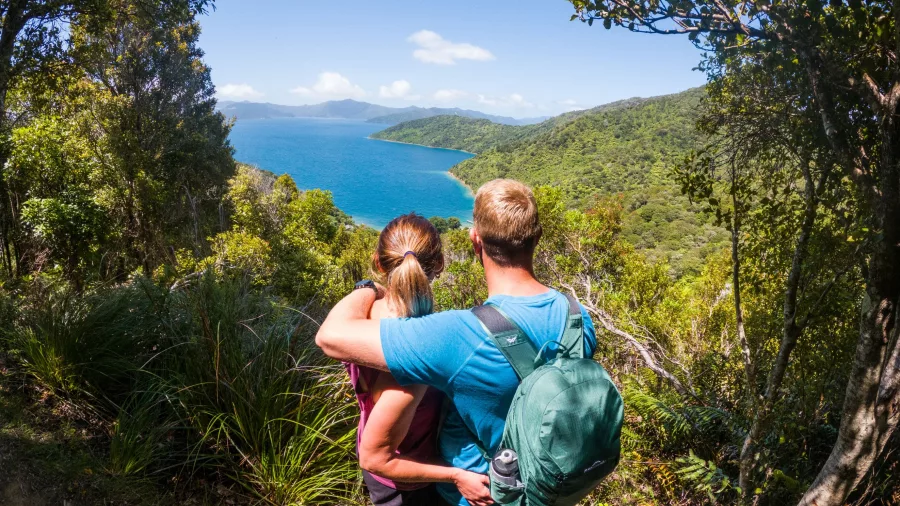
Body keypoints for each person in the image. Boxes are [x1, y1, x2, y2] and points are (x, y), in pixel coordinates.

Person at [317, 179, 598, 506]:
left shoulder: (455, 335)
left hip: (477, 491)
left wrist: (367, 288)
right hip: (545, 482)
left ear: (475, 240)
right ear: (537, 237)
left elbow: (330, 337)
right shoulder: (578, 318)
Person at [344, 213, 493, 506]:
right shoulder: (419, 351)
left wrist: (366, 289)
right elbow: (377, 458)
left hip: (387, 467)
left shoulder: (359, 320)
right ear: (439, 264)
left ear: (378, 262)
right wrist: (455, 475)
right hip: (408, 478)